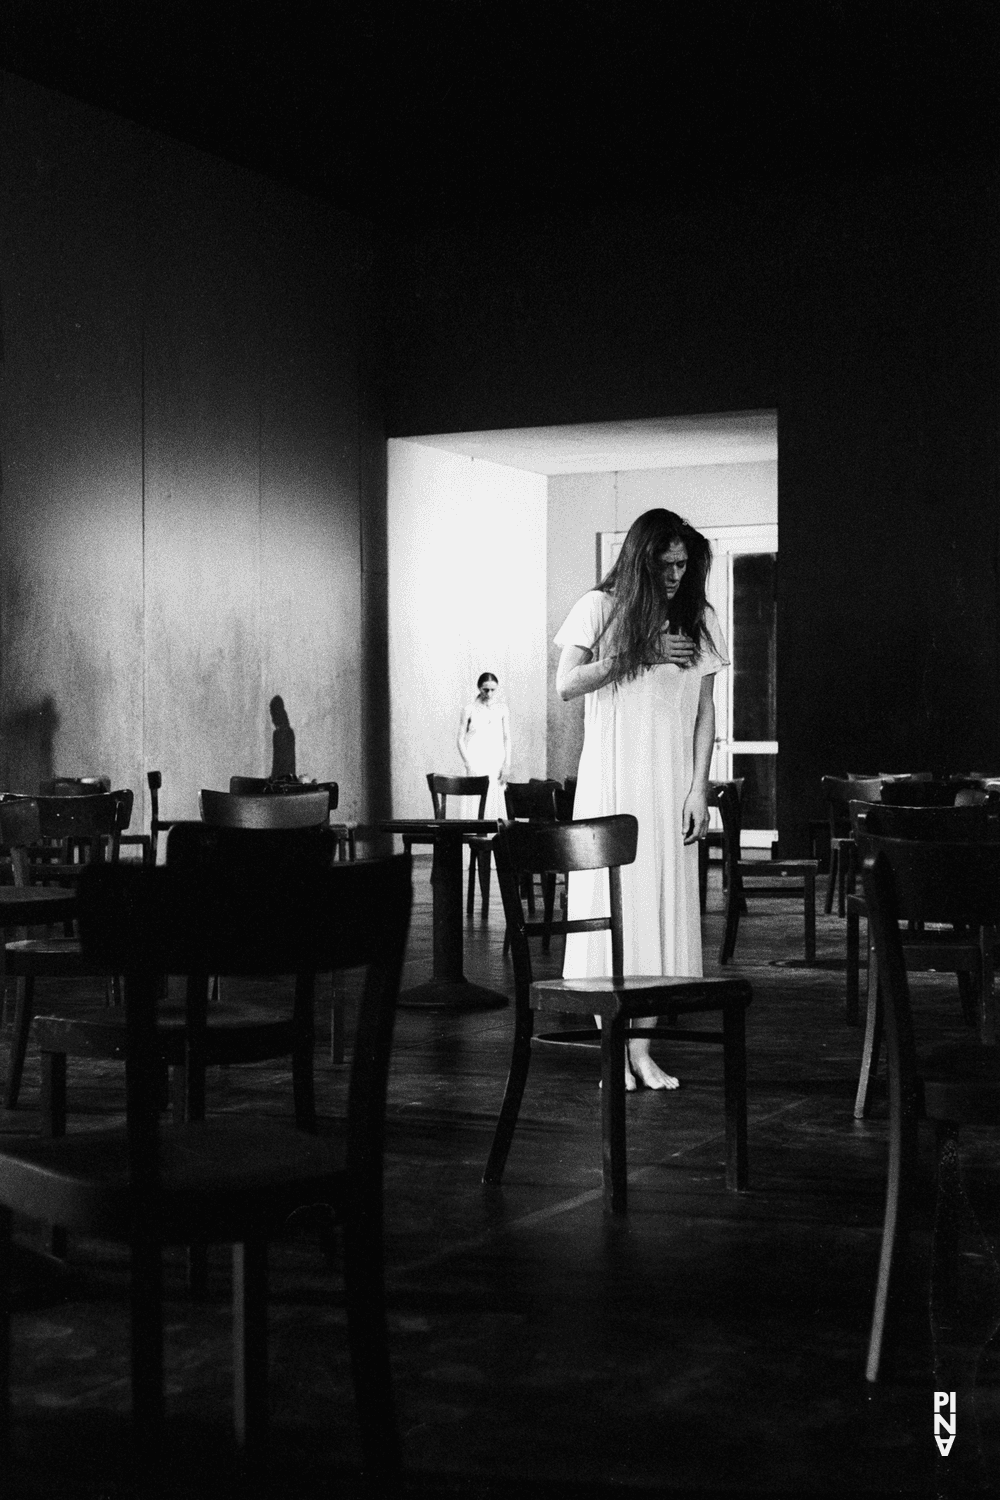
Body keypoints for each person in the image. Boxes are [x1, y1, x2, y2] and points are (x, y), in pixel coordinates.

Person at [555, 509, 728, 1091]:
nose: (677, 574)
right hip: (611, 784)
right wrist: (637, 655)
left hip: (669, 787)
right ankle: (613, 1051)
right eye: (666, 563)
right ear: (641, 559)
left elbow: (706, 713)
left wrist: (698, 788)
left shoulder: (698, 619)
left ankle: (645, 1048)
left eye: (684, 563)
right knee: (612, 911)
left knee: (663, 912)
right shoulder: (599, 608)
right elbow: (566, 684)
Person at [457, 672, 511, 819]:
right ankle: (472, 840)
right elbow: (460, 738)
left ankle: (493, 841)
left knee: (494, 799)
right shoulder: (469, 709)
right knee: (474, 800)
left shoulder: (502, 709)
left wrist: (507, 764)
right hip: (476, 760)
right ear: (479, 688)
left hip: (495, 761)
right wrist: (468, 763)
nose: (489, 693)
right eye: (485, 689)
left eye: (493, 690)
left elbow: (507, 737)